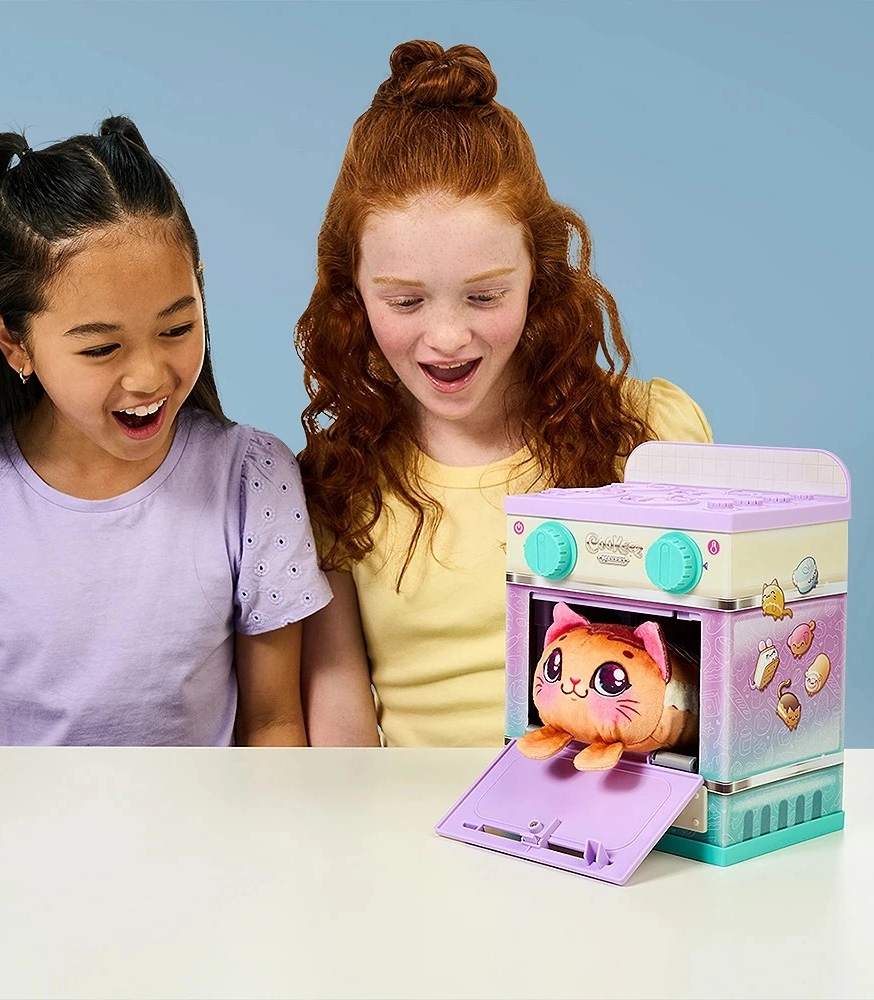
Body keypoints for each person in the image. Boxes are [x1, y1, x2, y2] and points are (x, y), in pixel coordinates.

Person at [295, 40, 712, 748]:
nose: (447, 337)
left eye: (485, 295)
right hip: (417, 815)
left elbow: (712, 679)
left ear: (539, 276)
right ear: (352, 294)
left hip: (619, 810)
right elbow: (342, 729)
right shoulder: (339, 482)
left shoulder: (649, 434)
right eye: (405, 302)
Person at [0, 116, 330, 746]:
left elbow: (274, 721)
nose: (149, 377)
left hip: (209, 816)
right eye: (100, 348)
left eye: (177, 328)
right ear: (12, 342)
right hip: (12, 817)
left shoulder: (252, 479)